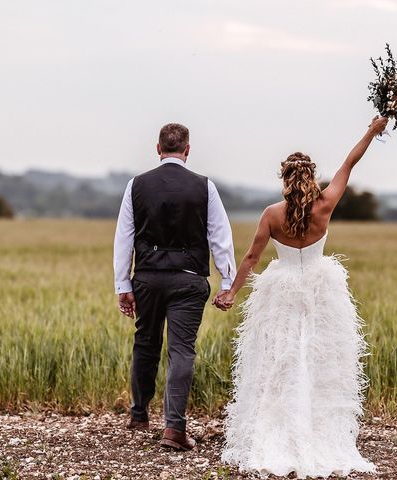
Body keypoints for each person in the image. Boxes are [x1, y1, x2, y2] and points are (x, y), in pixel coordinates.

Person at [214, 116, 388, 478]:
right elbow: (349, 163)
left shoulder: (271, 215)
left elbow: (250, 258)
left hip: (282, 292)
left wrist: (230, 292)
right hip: (322, 290)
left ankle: (279, 433)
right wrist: (372, 130)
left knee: (279, 361)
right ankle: (317, 434)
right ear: (311, 176)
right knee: (319, 360)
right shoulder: (325, 205)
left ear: (284, 179)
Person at [113, 123, 236, 450]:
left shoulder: (136, 186)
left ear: (158, 149)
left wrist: (122, 283)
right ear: (187, 149)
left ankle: (139, 415)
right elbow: (220, 237)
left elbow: (124, 238)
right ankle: (174, 429)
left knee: (146, 342)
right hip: (189, 279)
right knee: (182, 350)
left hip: (148, 278)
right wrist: (227, 281)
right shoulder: (204, 187)